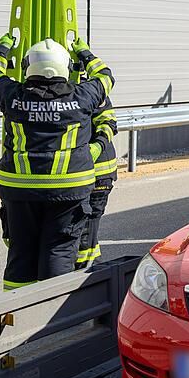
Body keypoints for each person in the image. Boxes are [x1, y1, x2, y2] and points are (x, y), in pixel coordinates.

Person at [0, 34, 114, 290]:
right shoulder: (84, 96)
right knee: (59, 249)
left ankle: (15, 314)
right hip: (69, 190)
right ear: (65, 66)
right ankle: (52, 316)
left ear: (29, 66)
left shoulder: (12, 95)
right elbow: (106, 76)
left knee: (21, 251)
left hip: (20, 190)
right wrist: (84, 53)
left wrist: (4, 47)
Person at [76, 96, 118, 270]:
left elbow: (108, 123)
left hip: (96, 173)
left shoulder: (81, 93)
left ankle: (86, 276)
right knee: (87, 231)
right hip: (96, 172)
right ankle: (92, 273)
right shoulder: (92, 90)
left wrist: (95, 148)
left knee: (85, 231)